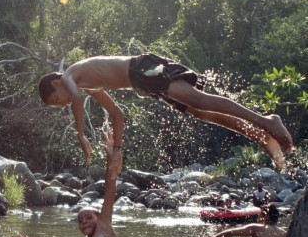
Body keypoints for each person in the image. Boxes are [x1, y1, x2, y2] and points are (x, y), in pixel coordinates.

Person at [38, 54, 294, 172]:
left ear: (56, 84)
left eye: (57, 100)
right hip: (145, 83)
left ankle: (266, 121)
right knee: (199, 112)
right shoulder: (87, 83)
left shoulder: (70, 76)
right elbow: (117, 114)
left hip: (144, 69)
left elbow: (76, 99)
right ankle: (259, 136)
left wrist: (81, 135)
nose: (62, 104)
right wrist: (117, 150)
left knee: (198, 100)